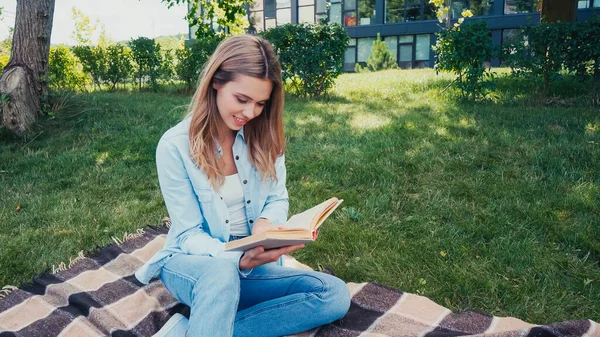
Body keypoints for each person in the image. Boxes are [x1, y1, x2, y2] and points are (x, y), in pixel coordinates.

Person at [134, 35, 351, 337]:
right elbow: (187, 234)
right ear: (216, 82)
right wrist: (236, 258)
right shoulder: (174, 146)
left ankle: (198, 330)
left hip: (251, 262)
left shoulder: (264, 137)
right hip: (193, 263)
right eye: (242, 99)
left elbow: (277, 198)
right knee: (222, 272)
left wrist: (264, 226)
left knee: (332, 294)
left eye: (261, 103)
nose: (250, 113)